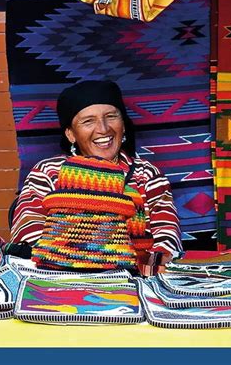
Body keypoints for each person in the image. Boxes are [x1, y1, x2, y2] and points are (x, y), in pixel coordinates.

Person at [10, 80, 182, 275]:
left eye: (111, 116)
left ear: (123, 125)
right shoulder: (49, 172)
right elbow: (28, 228)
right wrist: (84, 263)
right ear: (70, 134)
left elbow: (167, 238)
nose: (103, 128)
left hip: (137, 280)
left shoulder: (147, 174)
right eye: (88, 121)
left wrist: (139, 268)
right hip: (61, 278)